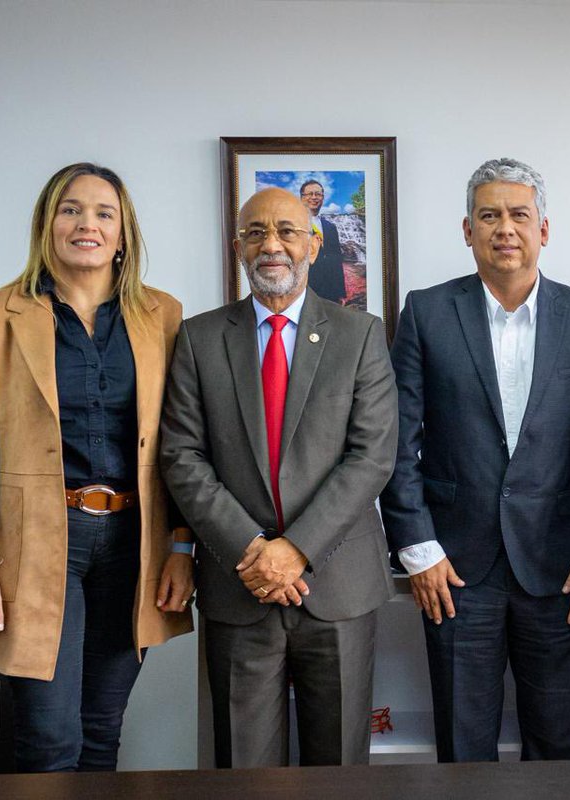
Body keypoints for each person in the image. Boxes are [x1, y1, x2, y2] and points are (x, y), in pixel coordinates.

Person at [0, 162, 195, 772]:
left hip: (137, 543)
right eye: (71, 209)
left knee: (102, 732)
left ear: (124, 232)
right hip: (39, 542)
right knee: (50, 741)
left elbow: (184, 444)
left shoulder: (164, 317)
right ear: (47, 225)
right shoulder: (0, 316)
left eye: (105, 213)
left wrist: (182, 547)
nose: (87, 224)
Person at [380, 157, 570, 762]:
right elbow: (397, 440)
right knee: (463, 743)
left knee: (559, 745)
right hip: (454, 566)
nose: (504, 228)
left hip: (562, 567)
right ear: (467, 230)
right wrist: (417, 547)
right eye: (489, 216)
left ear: (544, 228)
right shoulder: (426, 312)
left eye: (518, 214)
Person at [159, 187, 397, 768]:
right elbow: (182, 457)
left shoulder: (360, 334)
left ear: (313, 244)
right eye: (256, 232)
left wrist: (295, 550)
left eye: (288, 231)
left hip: (336, 585)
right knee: (242, 769)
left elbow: (372, 456)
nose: (272, 244)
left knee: (339, 767)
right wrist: (255, 551)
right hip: (239, 586)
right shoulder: (198, 337)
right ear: (237, 245)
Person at [300, 179, 347, 304]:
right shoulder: (293, 225)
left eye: (318, 194)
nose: (314, 197)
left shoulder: (330, 227)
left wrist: (341, 292)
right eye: (310, 194)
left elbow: (337, 260)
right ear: (301, 198)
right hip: (305, 291)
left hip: (330, 293)